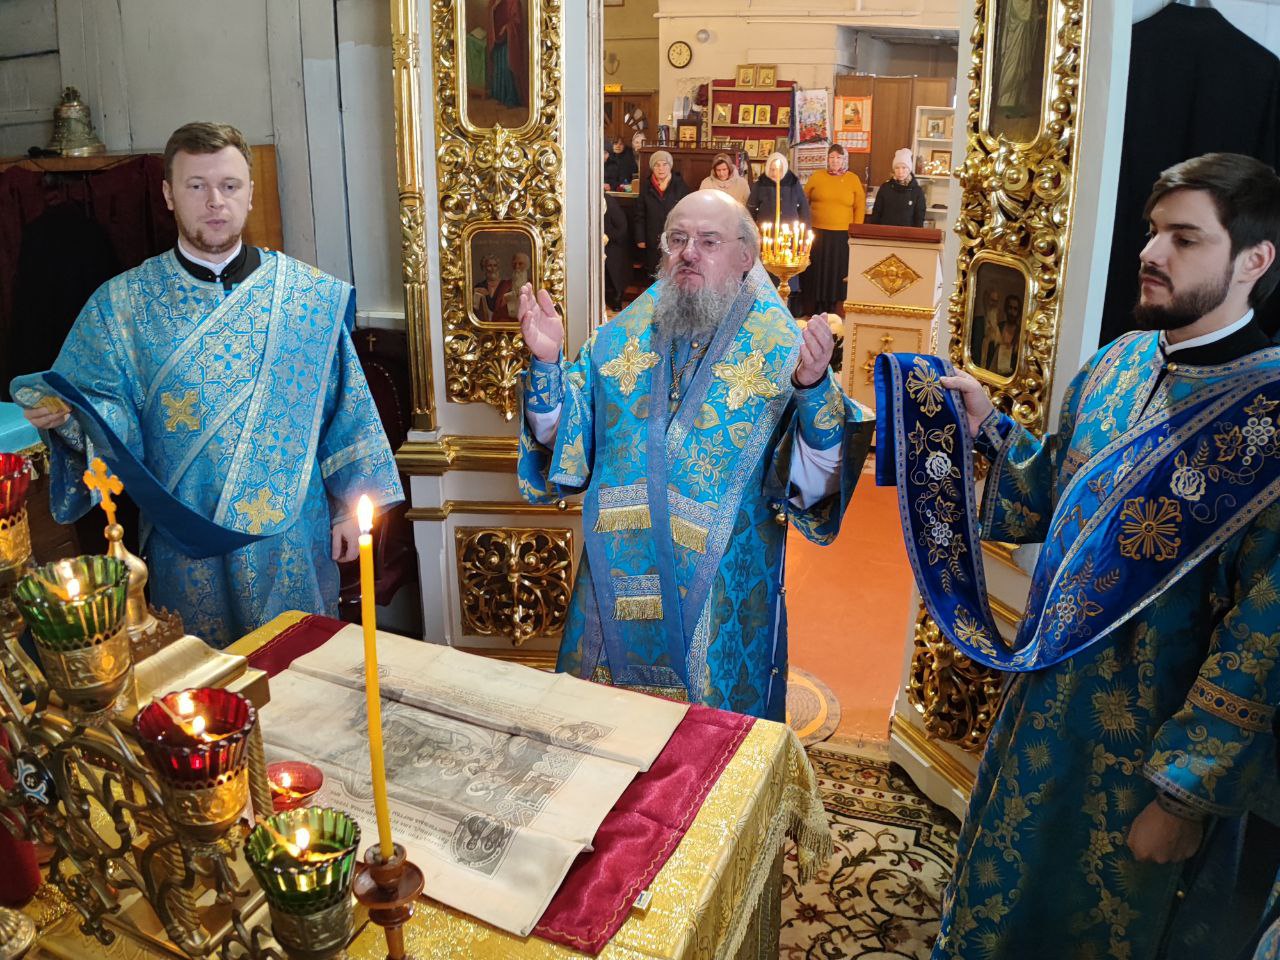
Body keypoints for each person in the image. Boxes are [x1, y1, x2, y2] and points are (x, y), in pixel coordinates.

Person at [932, 152, 1280, 958]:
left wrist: (1182, 797)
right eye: (1153, 232)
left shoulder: (1270, 423)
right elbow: (1052, 489)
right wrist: (988, 428)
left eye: (1184, 239)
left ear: (1253, 261)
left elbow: (1261, 642)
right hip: (1042, 712)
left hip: (1139, 760)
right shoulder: (1118, 362)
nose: (1150, 254)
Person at [10, 122, 402, 649]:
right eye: (196, 186)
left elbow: (346, 409)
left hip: (292, 537)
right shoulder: (121, 306)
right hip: (185, 538)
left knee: (302, 672)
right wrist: (68, 418)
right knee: (199, 676)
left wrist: (351, 508)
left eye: (229, 185)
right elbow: (104, 413)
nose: (215, 201)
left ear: (250, 193)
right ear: (169, 194)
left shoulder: (305, 296)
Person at [516, 190, 872, 718]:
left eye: (708, 241)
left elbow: (815, 484)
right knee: (600, 730)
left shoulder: (784, 351)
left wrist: (813, 387)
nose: (688, 253)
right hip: (616, 578)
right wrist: (548, 364)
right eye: (677, 239)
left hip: (720, 592)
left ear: (746, 256)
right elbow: (566, 440)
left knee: (707, 748)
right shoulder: (618, 339)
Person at [801, 143, 866, 316]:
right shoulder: (817, 176)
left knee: (837, 271)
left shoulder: (853, 179)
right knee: (817, 271)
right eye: (832, 157)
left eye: (838, 157)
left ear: (844, 160)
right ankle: (815, 306)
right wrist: (805, 223)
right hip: (817, 233)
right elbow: (804, 199)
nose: (835, 161)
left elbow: (860, 206)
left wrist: (856, 230)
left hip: (842, 234)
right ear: (827, 159)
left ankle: (834, 307)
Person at [634, 150, 690, 280]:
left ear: (670, 166)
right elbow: (639, 214)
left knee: (674, 272)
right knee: (654, 272)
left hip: (675, 238)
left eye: (664, 164)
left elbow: (688, 214)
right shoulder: (646, 187)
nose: (661, 168)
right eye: (657, 165)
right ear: (652, 168)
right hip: (652, 238)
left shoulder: (680, 186)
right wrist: (640, 238)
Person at [868, 149, 927, 228]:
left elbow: (919, 218)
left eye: (904, 167)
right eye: (897, 168)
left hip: (907, 233)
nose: (900, 171)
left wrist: (916, 234)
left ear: (909, 169)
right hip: (885, 232)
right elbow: (876, 213)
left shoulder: (917, 191)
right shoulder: (885, 188)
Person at [487, 0, 527, 109]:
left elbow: (517, 21)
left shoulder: (514, 1)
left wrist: (507, 27)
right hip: (497, 39)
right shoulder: (494, 1)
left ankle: (510, 98)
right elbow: (491, 14)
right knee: (498, 67)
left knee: (507, 66)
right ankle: (500, 96)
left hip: (509, 41)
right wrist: (493, 8)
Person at [604, 180, 630, 311]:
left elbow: (622, 227)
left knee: (613, 258)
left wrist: (608, 237)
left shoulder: (609, 202)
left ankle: (616, 294)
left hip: (613, 242)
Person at [472, 254, 511, 322]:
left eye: (495, 265)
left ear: (498, 267)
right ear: (484, 268)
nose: (493, 269)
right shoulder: (480, 286)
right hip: (484, 323)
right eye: (489, 266)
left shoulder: (506, 285)